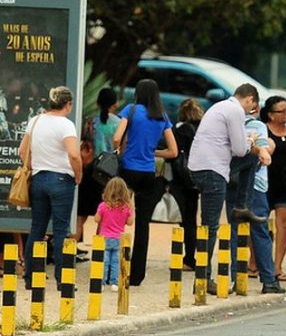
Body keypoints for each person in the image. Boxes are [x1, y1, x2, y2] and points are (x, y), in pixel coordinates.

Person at [188, 83, 270, 294]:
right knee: (210, 227)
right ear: (250, 99)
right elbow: (240, 149)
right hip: (212, 170)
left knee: (208, 225)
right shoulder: (235, 111)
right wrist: (253, 141)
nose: (250, 111)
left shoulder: (220, 106)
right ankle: (203, 279)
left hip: (199, 167)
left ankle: (242, 205)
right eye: (252, 107)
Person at [113, 79, 178, 286]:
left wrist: (122, 149)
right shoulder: (162, 116)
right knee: (143, 224)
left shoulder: (130, 110)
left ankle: (112, 269)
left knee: (115, 218)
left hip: (128, 170)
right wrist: (152, 152)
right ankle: (137, 275)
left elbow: (116, 138)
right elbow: (173, 151)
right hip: (148, 173)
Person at [21, 86, 83, 290]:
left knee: (37, 228)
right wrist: (78, 175)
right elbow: (74, 154)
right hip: (62, 181)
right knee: (60, 231)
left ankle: (30, 277)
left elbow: (23, 151)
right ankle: (62, 281)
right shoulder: (66, 125)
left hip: (38, 180)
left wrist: (33, 166)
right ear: (68, 104)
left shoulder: (35, 120)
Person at [225, 108, 284, 294]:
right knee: (260, 232)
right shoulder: (258, 125)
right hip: (255, 186)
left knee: (235, 233)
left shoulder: (228, 125)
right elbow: (264, 152)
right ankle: (269, 280)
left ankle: (237, 280)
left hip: (231, 183)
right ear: (256, 108)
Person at [75, 87, 120, 260]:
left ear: (97, 103)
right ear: (114, 105)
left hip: (89, 173)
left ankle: (69, 253)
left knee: (81, 216)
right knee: (104, 217)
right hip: (108, 175)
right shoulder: (118, 123)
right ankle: (99, 256)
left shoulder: (90, 122)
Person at [261, 96, 286, 283]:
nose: (285, 114)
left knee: (283, 225)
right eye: (281, 111)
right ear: (270, 115)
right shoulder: (262, 130)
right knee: (259, 223)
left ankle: (277, 267)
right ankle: (255, 263)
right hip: (265, 183)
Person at [168, 98, 203, 271]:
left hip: (179, 178)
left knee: (182, 219)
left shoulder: (178, 130)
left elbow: (171, 153)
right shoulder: (202, 130)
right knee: (191, 219)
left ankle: (185, 256)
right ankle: (191, 257)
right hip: (195, 179)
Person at [94, 176, 134, 291]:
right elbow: (130, 222)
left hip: (105, 237)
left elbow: (96, 219)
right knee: (116, 262)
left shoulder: (103, 206)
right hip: (119, 238)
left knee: (104, 261)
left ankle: (101, 282)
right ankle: (114, 283)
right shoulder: (126, 208)